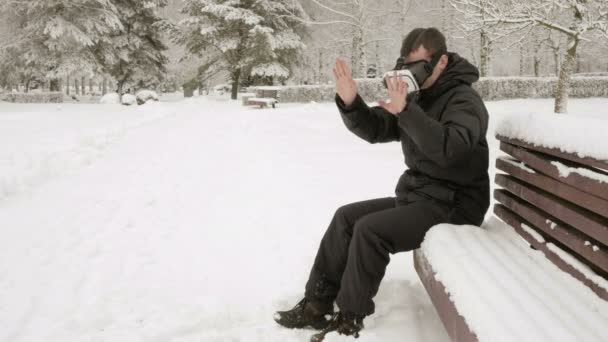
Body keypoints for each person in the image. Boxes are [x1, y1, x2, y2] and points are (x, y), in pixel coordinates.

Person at [274, 27, 490, 341]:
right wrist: (351, 102)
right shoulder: (418, 97)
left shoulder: (465, 101)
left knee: (370, 231)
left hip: (455, 204)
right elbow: (378, 127)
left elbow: (450, 149)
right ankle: (316, 305)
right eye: (405, 65)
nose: (409, 73)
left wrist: (407, 110)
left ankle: (350, 319)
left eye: (417, 65)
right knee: (346, 218)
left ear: (441, 62)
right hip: (422, 198)